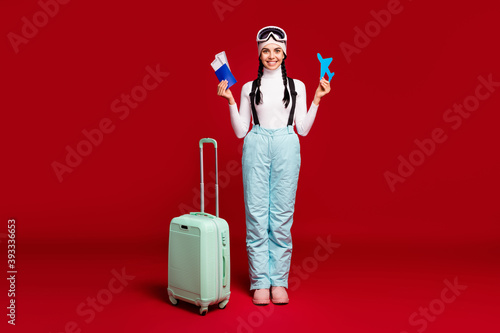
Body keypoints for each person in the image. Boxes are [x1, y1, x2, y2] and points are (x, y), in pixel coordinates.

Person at [216, 26, 331, 305]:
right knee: (256, 214)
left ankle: (278, 280)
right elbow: (241, 130)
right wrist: (231, 100)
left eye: (277, 50)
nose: (271, 55)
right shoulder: (247, 88)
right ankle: (260, 282)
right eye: (266, 50)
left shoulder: (298, 86)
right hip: (255, 144)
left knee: (281, 215)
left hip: (287, 145)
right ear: (259, 53)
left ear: (285, 52)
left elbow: (302, 128)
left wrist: (316, 98)